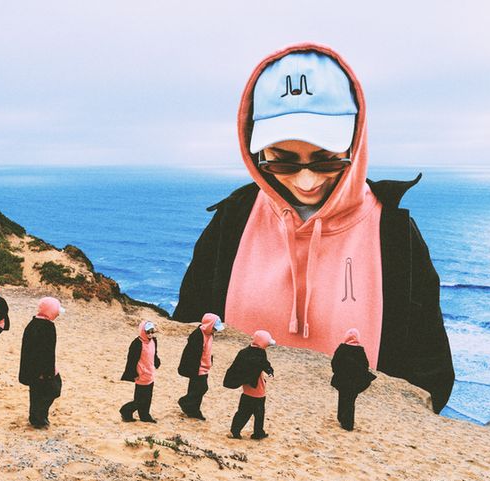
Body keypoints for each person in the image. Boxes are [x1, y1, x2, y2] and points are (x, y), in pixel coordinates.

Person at [173, 43, 454, 413]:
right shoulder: (232, 220)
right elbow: (189, 329)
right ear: (255, 150)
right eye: (282, 162)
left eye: (326, 161)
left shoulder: (396, 236)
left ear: (355, 140)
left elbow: (431, 374)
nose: (306, 182)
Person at [19, 297, 64, 429]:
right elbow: (47, 352)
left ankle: (36, 419)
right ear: (50, 311)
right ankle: (39, 419)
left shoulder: (32, 323)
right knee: (54, 389)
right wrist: (47, 373)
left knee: (36, 393)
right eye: (56, 311)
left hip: (31, 368)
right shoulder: (48, 327)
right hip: (42, 369)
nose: (58, 314)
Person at [224, 330, 275, 440]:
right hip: (257, 389)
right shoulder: (259, 355)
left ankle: (235, 431)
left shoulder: (245, 352)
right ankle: (258, 433)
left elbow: (236, 368)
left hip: (247, 388)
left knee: (243, 412)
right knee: (258, 413)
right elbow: (264, 364)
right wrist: (269, 371)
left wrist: (269, 370)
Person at [177, 313, 223, 420]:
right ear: (209, 325)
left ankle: (193, 410)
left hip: (204, 367)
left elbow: (206, 350)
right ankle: (185, 402)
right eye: (214, 328)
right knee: (202, 388)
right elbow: (191, 355)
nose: (215, 330)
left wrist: (209, 361)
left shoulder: (210, 334)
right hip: (196, 368)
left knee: (196, 389)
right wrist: (194, 369)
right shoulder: (197, 335)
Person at [331, 328, 376, 431]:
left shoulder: (341, 349)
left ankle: (341, 418)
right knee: (351, 401)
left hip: (342, 380)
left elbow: (334, 363)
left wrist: (338, 372)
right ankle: (348, 423)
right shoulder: (360, 351)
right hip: (354, 382)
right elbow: (365, 366)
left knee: (342, 398)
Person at [119, 321, 161, 423]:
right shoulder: (137, 343)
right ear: (142, 331)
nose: (150, 334)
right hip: (141, 374)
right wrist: (134, 374)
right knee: (140, 400)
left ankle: (145, 416)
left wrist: (157, 362)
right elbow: (131, 361)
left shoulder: (153, 341)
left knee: (148, 398)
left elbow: (154, 354)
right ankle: (125, 411)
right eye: (148, 332)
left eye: (152, 331)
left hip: (150, 373)